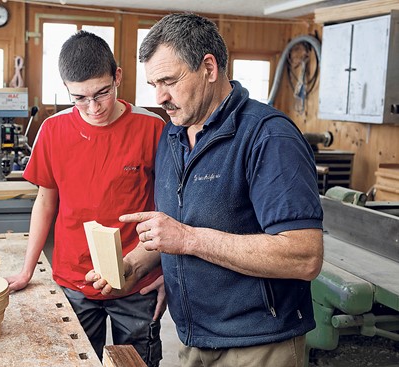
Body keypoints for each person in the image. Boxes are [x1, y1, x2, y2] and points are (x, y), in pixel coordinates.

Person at [89, 13, 324, 367]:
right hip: (194, 337)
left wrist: (188, 239)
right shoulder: (173, 135)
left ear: (209, 68)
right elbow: (175, 227)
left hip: (257, 344)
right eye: (154, 84)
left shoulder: (268, 137)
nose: (160, 96)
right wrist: (132, 265)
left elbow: (304, 256)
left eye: (169, 80)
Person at [6, 30, 165, 367]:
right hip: (74, 280)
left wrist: (169, 270)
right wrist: (26, 270)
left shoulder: (152, 128)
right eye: (79, 97)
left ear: (117, 76)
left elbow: (170, 209)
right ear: (66, 89)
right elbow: (45, 203)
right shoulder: (52, 130)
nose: (93, 108)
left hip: (137, 284)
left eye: (102, 93)